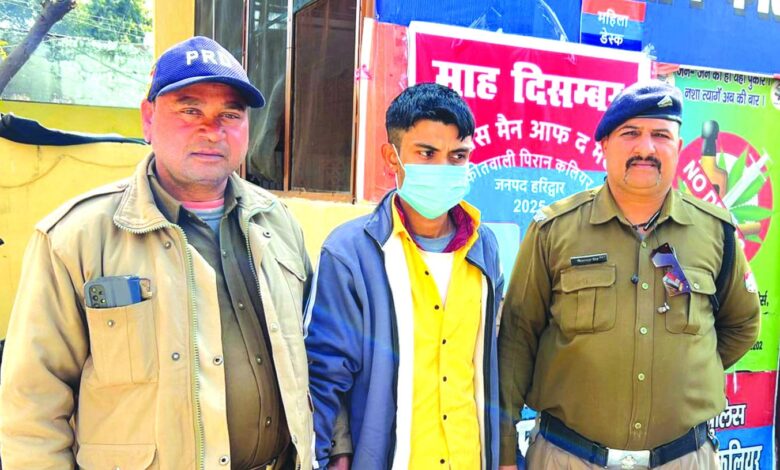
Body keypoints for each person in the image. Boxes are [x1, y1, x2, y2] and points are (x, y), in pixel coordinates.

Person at [0, 36, 313, 469]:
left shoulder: (278, 224)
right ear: (148, 119)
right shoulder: (76, 237)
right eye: (190, 110)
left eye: (230, 114)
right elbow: (31, 404)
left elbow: (307, 356)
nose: (212, 130)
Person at [498, 80, 760, 469]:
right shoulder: (554, 230)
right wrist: (504, 451)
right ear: (604, 145)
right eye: (631, 133)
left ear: (678, 146)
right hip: (568, 457)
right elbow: (517, 340)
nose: (646, 148)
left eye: (660, 135)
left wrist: (685, 369)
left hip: (683, 459)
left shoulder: (715, 231)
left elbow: (741, 325)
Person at [304, 83, 504, 469]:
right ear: (391, 158)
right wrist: (327, 456)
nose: (443, 169)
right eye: (426, 154)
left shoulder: (484, 249)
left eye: (458, 156)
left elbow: (489, 363)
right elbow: (324, 374)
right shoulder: (350, 253)